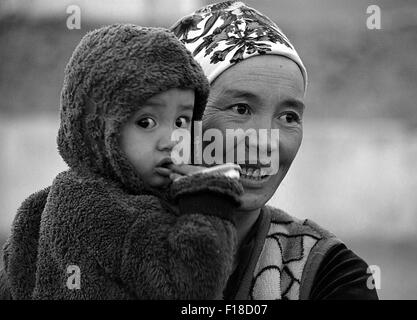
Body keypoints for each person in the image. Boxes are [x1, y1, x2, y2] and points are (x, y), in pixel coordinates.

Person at [0, 24, 244, 299]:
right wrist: (208, 199)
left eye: (181, 121)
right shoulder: (103, 209)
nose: (173, 139)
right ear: (97, 128)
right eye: (146, 122)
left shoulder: (50, 200)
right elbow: (190, 287)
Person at [170, 1, 379, 299]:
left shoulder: (328, 272)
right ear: (181, 121)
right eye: (241, 109)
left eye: (288, 117)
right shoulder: (105, 247)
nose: (267, 142)